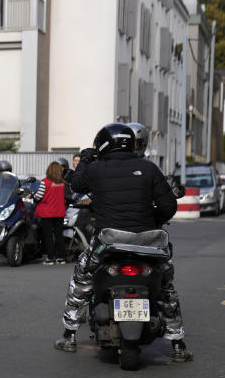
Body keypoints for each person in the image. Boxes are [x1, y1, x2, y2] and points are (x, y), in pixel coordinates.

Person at [53, 122, 192, 362]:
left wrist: (85, 159)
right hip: (150, 242)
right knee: (166, 288)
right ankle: (178, 345)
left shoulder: (96, 168)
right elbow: (169, 205)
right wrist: (150, 221)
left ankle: (70, 336)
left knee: (81, 280)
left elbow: (76, 184)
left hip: (109, 241)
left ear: (104, 145)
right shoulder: (149, 168)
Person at [33, 161, 68, 265]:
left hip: (47, 213)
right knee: (59, 235)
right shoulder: (62, 183)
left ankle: (50, 258)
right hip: (59, 212)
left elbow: (38, 196)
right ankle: (61, 258)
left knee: (48, 236)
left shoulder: (45, 182)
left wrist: (33, 196)